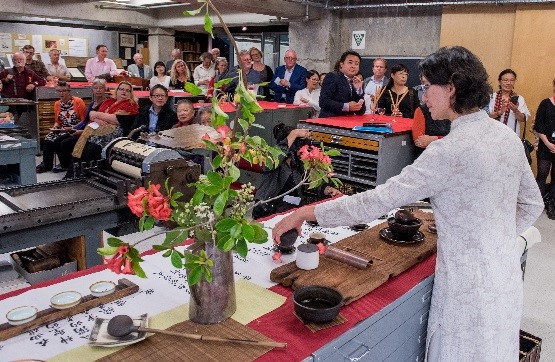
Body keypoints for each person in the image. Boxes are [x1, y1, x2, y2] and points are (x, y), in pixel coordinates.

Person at [272, 46, 543, 361]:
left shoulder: (448, 151)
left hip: (465, 290)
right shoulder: (505, 137)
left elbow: (379, 199)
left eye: (428, 87)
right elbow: (531, 204)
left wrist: (308, 211)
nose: (424, 97)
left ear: (452, 88)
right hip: (504, 276)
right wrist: (490, 236)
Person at [252, 123, 340, 219]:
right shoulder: (273, 160)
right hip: (268, 210)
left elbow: (312, 180)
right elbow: (276, 157)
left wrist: (328, 189)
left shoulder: (298, 163)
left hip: (291, 209)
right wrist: (294, 134)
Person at [70, 81, 139, 165]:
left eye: (127, 90)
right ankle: (76, 172)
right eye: (121, 89)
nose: (124, 91)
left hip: (115, 135)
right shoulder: (109, 101)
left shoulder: (131, 105)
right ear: (117, 91)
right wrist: (97, 119)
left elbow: (116, 119)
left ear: (130, 94)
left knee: (90, 147)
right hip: (98, 129)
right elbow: (91, 115)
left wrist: (97, 115)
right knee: (82, 145)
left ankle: (85, 173)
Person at [58, 78, 108, 171]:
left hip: (91, 132)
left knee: (64, 143)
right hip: (83, 129)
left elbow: (99, 124)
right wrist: (72, 128)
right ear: (92, 89)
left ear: (105, 90)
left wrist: (81, 131)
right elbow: (84, 121)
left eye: (101, 88)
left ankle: (71, 168)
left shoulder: (106, 104)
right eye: (95, 88)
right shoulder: (92, 103)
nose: (98, 90)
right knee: (58, 140)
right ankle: (65, 166)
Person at [36, 82, 86, 173]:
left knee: (58, 141)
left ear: (69, 91)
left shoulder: (78, 102)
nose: (61, 93)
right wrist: (55, 128)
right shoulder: (57, 104)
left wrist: (72, 128)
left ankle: (65, 164)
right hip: (63, 129)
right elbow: (58, 121)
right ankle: (46, 164)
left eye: (64, 91)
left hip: (75, 129)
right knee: (48, 138)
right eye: (59, 91)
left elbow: (84, 121)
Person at [318, 50, 365, 118]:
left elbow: (361, 111)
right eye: (350, 62)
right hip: (330, 121)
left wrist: (359, 90)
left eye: (356, 64)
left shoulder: (356, 82)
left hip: (347, 122)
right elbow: (323, 102)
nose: (353, 66)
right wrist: (346, 106)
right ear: (341, 64)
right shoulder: (332, 76)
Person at [533, 77, 555, 219]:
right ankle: (536, 204)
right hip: (545, 145)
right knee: (542, 175)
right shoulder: (545, 104)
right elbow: (538, 125)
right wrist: (548, 143)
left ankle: (552, 205)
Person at [488, 69, 530, 135]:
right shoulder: (491, 97)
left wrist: (516, 111)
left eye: (512, 80)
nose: (509, 83)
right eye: (505, 80)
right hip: (493, 135)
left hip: (512, 136)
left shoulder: (519, 99)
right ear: (499, 82)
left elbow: (523, 119)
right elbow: (486, 117)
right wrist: (499, 112)